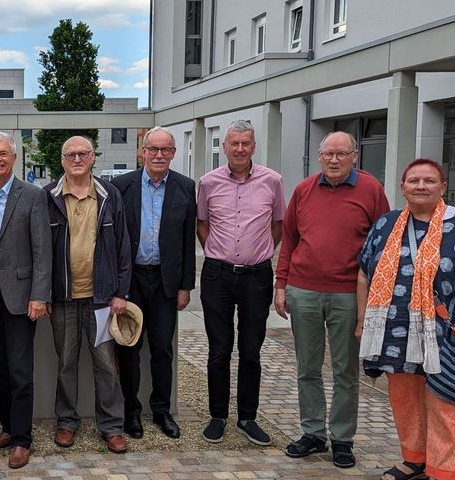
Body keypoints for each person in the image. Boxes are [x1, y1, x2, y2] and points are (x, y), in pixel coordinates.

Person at [357, 158, 455, 480]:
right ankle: (415, 460)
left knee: (448, 402)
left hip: (447, 336)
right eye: (414, 181)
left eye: (428, 180)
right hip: (396, 334)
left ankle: (448, 473)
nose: (421, 186)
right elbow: (364, 273)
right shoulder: (387, 224)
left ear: (443, 187)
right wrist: (362, 322)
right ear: (402, 187)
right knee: (405, 401)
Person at [274, 131, 389, 468]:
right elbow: (290, 241)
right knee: (307, 369)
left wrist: (375, 299)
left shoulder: (371, 191)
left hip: (348, 296)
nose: (334, 160)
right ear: (320, 156)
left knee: (345, 371)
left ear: (355, 156)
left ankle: (342, 438)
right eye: (328, 154)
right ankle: (312, 433)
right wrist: (282, 284)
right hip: (304, 290)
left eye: (341, 154)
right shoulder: (303, 190)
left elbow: (381, 247)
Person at [196, 120, 284, 446]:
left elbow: (277, 226)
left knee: (251, 350)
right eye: (234, 143)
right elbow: (202, 225)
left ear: (254, 146)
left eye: (246, 143)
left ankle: (248, 417)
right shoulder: (208, 183)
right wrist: (219, 254)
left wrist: (256, 254)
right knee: (219, 349)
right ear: (224, 147)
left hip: (256, 277)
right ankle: (217, 416)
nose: (240, 149)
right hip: (217, 275)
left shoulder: (272, 181)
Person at [0, 132, 52, 469]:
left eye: (3, 154)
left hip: (19, 295)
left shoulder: (31, 195)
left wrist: (39, 295)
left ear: (14, 158)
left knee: (20, 370)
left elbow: (42, 250)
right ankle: (6, 427)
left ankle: (21, 439)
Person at [44, 136, 131, 454]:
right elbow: (42, 252)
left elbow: (123, 248)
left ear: (93, 158)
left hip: (102, 298)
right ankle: (66, 422)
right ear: (62, 160)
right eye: (71, 154)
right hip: (63, 297)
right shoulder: (49, 196)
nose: (77, 158)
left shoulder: (110, 195)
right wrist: (44, 293)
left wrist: (120, 292)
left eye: (83, 153)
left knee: (106, 365)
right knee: (66, 363)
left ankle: (111, 427)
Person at [112, 126, 196, 440]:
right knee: (129, 349)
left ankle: (161, 410)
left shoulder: (186, 187)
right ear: (143, 151)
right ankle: (131, 411)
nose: (159, 155)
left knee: (162, 350)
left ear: (173, 153)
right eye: (153, 149)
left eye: (165, 150)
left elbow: (188, 240)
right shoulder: (122, 185)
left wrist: (186, 285)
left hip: (165, 281)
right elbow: (112, 237)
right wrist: (115, 286)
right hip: (131, 280)